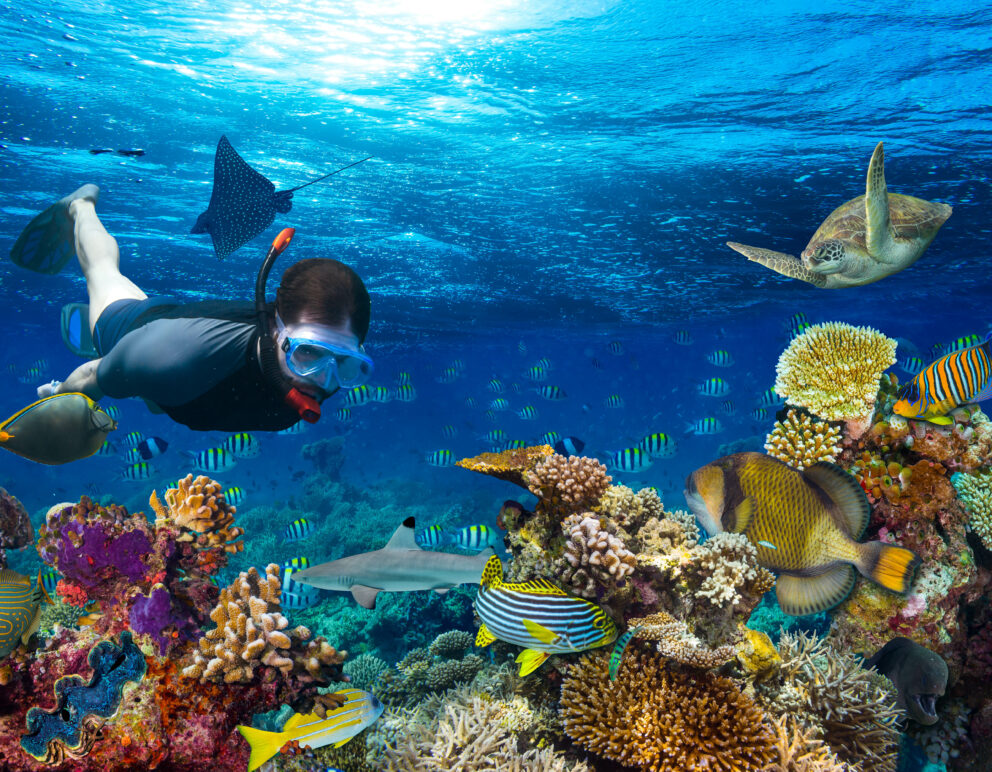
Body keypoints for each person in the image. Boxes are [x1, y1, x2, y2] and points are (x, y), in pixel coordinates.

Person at [13, 184, 372, 432]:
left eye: (345, 363)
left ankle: (144, 384)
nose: (323, 380)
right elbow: (91, 377)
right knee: (102, 272)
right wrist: (60, 402)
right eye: (308, 353)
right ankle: (81, 205)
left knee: (156, 392)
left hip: (179, 373)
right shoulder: (171, 357)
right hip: (138, 332)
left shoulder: (315, 376)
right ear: (276, 330)